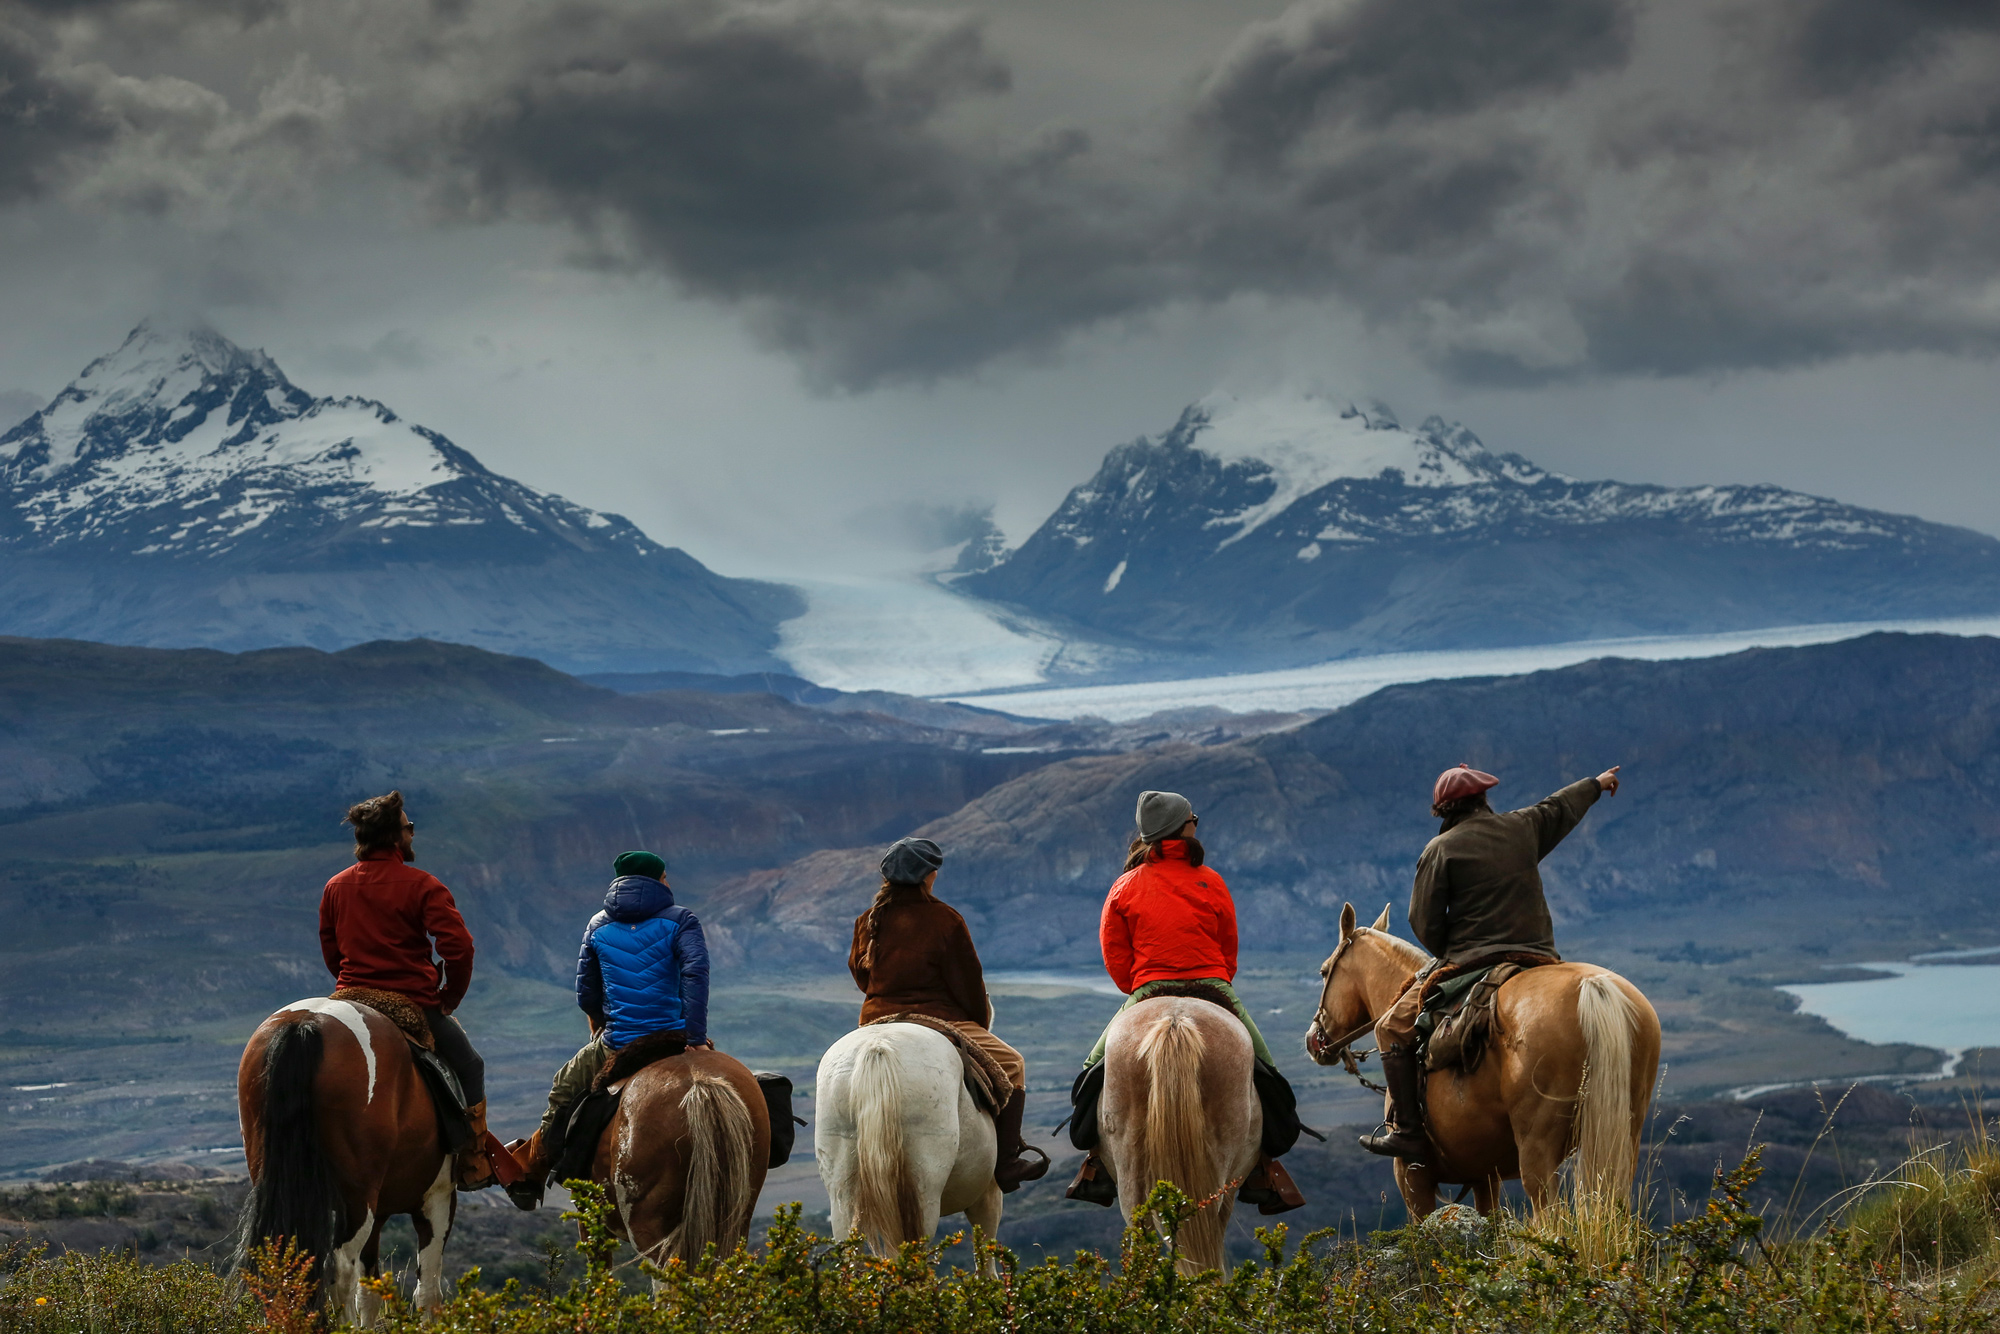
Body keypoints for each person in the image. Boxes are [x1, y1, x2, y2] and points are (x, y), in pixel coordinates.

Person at [1358, 762, 1623, 1160]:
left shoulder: (1440, 850)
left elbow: (1421, 920)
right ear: (1483, 798)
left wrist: (1449, 951)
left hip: (1472, 960)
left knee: (1391, 1027)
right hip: (1539, 955)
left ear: (1442, 811)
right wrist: (1596, 784)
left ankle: (1409, 1132)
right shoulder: (1523, 827)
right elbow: (1558, 807)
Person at [1066, 791, 1304, 1212]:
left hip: (1147, 989)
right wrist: (1214, 981)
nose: (1197, 823)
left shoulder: (1124, 886)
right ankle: (1261, 1168)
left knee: (1091, 1075)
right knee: (1267, 1074)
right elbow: (1228, 948)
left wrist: (1140, 988)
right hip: (1214, 986)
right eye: (1194, 817)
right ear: (1183, 828)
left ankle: (1099, 1162)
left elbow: (1115, 955)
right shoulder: (1210, 880)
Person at [507, 850, 709, 1210]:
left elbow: (586, 991)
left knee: (564, 1087)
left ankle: (534, 1169)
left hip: (621, 1043)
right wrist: (694, 1039)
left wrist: (600, 1023)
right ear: (659, 881)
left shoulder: (597, 925)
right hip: (676, 1038)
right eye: (666, 878)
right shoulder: (682, 921)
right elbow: (695, 975)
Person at [848, 836, 1049, 1192]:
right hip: (938, 1018)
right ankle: (1006, 1164)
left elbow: (862, 976)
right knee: (1014, 1063)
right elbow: (967, 983)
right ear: (929, 875)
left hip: (874, 1019)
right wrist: (977, 1022)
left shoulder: (868, 920)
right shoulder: (945, 919)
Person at [319, 790, 493, 1189]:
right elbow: (459, 947)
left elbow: (331, 951)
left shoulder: (335, 886)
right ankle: (473, 1161)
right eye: (408, 828)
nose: (412, 834)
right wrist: (448, 997)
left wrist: (354, 982)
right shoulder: (422, 885)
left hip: (349, 997)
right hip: (410, 1002)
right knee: (470, 1065)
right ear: (395, 837)